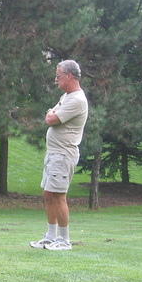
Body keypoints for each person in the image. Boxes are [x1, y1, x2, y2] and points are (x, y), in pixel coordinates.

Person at [30, 60, 88, 251]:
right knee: (48, 194)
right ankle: (50, 236)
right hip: (54, 154)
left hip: (63, 155)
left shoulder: (77, 100)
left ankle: (64, 240)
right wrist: (51, 113)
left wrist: (51, 113)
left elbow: (51, 118)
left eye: (58, 76)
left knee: (59, 196)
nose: (56, 80)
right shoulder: (67, 96)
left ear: (70, 76)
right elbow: (50, 116)